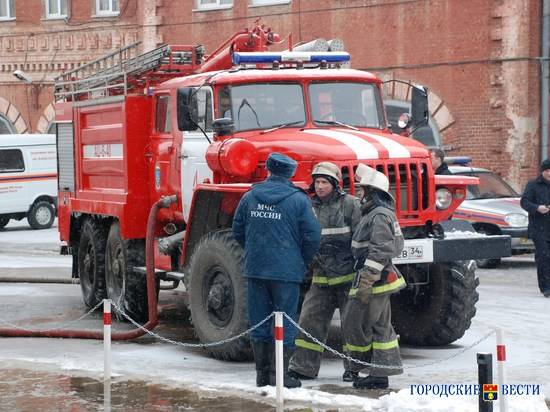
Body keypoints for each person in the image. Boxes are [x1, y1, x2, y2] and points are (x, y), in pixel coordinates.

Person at [232, 152, 321, 388]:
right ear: (290, 174)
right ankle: (279, 375)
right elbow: (312, 236)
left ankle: (262, 376)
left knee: (259, 321)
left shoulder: (250, 197)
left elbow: (238, 230)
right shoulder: (299, 201)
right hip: (286, 273)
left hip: (256, 270)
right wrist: (300, 261)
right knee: (286, 320)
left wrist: (255, 253)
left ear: (268, 171)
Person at [288, 162, 362, 382]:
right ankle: (303, 367)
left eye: (324, 182)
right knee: (310, 321)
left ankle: (354, 369)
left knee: (353, 326)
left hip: (348, 276)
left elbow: (361, 237)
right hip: (321, 278)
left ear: (334, 184)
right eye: (317, 182)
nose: (320, 186)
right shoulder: (308, 207)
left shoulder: (351, 205)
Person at [342, 165, 406, 389]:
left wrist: (367, 280)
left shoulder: (379, 216)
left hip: (376, 279)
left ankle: (374, 373)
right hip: (376, 277)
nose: (359, 194)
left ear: (372, 192)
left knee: (364, 324)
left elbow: (380, 250)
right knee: (380, 326)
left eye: (363, 190)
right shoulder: (377, 213)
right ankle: (378, 372)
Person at [520, 158, 550, 297]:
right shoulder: (533, 185)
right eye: (547, 170)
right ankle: (546, 287)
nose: (549, 173)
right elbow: (524, 202)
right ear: (543, 171)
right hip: (539, 228)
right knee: (543, 258)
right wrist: (537, 208)